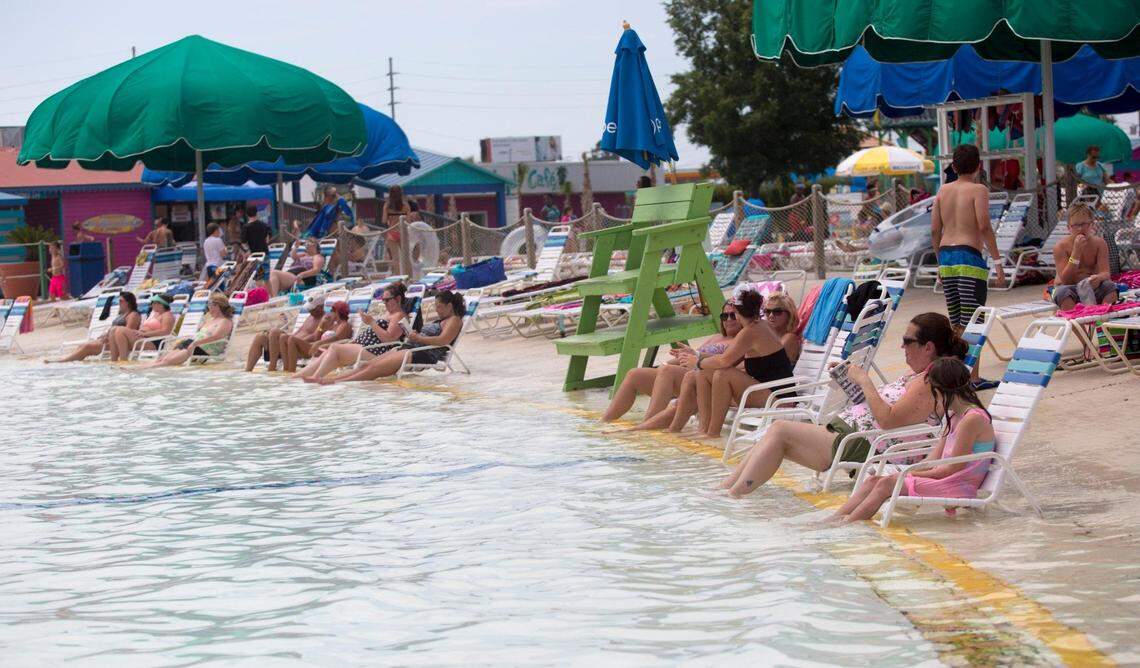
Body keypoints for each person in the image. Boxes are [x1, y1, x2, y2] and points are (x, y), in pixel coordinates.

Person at [720, 312, 966, 498]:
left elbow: (889, 420)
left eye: (907, 340)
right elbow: (882, 410)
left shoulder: (928, 381)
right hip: (855, 436)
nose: (902, 346)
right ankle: (728, 490)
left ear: (928, 347)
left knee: (781, 430)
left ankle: (734, 494)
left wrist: (864, 380)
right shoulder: (919, 375)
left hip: (866, 444)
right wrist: (850, 381)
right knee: (776, 432)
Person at [829, 357, 996, 523]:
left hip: (958, 485)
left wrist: (908, 473)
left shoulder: (971, 420)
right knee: (874, 480)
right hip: (948, 478)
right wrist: (906, 472)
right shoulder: (955, 416)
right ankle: (833, 520)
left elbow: (952, 469)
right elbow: (932, 460)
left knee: (886, 485)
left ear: (941, 391)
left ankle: (847, 524)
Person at [932, 144, 1004, 388]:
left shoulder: (943, 190)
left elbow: (934, 230)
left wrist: (940, 264)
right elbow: (984, 226)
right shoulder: (978, 189)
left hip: (947, 259)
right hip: (969, 259)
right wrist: (998, 262)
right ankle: (971, 378)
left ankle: (957, 378)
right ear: (979, 166)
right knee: (974, 321)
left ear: (953, 166)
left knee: (957, 324)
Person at [603, 301, 743, 423]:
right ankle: (605, 421)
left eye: (733, 315)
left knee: (667, 371)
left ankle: (648, 423)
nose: (728, 319)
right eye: (724, 316)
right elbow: (689, 357)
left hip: (707, 381)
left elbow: (726, 362)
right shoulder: (717, 337)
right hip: (686, 375)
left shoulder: (742, 339)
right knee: (635, 374)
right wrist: (665, 365)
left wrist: (693, 358)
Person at [689, 290, 797, 438]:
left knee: (722, 374)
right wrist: (697, 356)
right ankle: (703, 429)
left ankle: (713, 433)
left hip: (780, 399)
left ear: (737, 312)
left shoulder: (751, 332)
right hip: (765, 391)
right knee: (703, 374)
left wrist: (697, 362)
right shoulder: (758, 326)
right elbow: (728, 357)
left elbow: (724, 361)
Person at [318, 290, 465, 384]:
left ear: (450, 306)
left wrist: (419, 339)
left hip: (423, 354)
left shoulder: (454, 320)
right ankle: (335, 380)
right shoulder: (442, 320)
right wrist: (415, 335)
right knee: (367, 365)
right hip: (410, 348)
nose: (437, 310)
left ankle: (339, 382)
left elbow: (443, 341)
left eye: (439, 306)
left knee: (374, 369)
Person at [294, 282, 410, 382]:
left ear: (398, 299)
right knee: (329, 351)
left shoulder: (398, 315)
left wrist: (372, 323)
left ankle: (315, 379)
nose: (384, 303)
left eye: (387, 300)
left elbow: (389, 339)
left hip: (376, 351)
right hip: (365, 347)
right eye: (382, 300)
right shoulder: (389, 314)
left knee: (335, 348)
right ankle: (298, 377)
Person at [1050, 201, 1117, 310]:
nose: (1080, 229)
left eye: (1084, 224)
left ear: (1092, 224)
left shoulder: (1099, 243)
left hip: (1091, 286)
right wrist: (1076, 253)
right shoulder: (1061, 247)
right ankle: (1078, 326)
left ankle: (1101, 322)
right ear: (1069, 228)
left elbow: (1106, 273)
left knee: (1110, 287)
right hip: (1068, 287)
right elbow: (1066, 280)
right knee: (1063, 293)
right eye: (1076, 225)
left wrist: (1098, 278)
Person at [143, 292, 234, 367]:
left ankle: (145, 369)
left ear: (218, 306)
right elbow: (200, 333)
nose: (208, 307)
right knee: (162, 359)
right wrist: (192, 342)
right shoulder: (210, 319)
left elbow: (216, 337)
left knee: (167, 363)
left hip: (204, 348)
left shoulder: (225, 321)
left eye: (209, 304)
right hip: (194, 344)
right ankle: (142, 368)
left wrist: (195, 343)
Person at [47, 291, 142, 363]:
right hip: (109, 340)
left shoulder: (133, 315)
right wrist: (105, 335)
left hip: (117, 344)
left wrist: (109, 337)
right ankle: (68, 360)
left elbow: (127, 332)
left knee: (87, 347)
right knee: (82, 345)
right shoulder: (122, 314)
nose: (119, 303)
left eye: (121, 301)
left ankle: (63, 362)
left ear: (128, 303)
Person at [245, 295, 325, 372]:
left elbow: (315, 337)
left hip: (299, 347)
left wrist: (293, 340)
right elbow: (299, 331)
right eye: (309, 308)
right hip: (289, 343)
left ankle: (272, 366)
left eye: (312, 309)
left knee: (275, 332)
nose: (309, 311)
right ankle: (248, 371)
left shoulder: (324, 320)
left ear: (321, 307)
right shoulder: (310, 317)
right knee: (260, 337)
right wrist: (289, 338)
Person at [285, 300, 353, 372]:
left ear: (337, 312)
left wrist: (319, 343)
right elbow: (317, 338)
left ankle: (291, 371)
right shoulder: (334, 325)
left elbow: (337, 338)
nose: (330, 313)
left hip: (326, 351)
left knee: (292, 339)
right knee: (287, 339)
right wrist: (322, 324)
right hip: (318, 348)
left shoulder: (345, 325)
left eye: (331, 310)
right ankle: (287, 370)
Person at [107, 293, 176, 362]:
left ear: (161, 304)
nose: (152, 305)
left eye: (154, 303)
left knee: (120, 330)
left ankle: (123, 360)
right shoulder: (155, 314)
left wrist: (144, 334)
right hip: (143, 339)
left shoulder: (167, 316)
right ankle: (114, 360)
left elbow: (165, 332)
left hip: (152, 343)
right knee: (113, 330)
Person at [382, 185, 411, 262]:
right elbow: (408, 221)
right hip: (403, 233)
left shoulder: (387, 206)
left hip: (392, 232)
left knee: (395, 258)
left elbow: (384, 220)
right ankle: (409, 274)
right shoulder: (406, 205)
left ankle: (397, 273)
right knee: (406, 258)